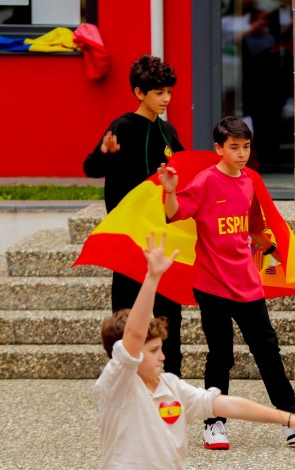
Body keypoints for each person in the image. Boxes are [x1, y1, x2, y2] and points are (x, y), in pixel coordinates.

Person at [157, 116, 295, 448]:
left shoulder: (250, 181)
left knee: (268, 350)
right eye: (234, 147)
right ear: (219, 148)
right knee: (220, 355)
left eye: (246, 147)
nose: (241, 153)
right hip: (211, 285)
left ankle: (290, 419)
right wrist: (169, 191)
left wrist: (282, 256)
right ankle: (213, 424)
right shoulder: (205, 182)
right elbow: (174, 212)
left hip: (247, 283)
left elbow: (255, 226)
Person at [94, 232, 295, 469]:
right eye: (154, 350)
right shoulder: (118, 383)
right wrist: (152, 278)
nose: (163, 356)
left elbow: (229, 405)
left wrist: (290, 419)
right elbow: (134, 336)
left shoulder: (170, 386)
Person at [83, 54, 185, 376]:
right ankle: (124, 379)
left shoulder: (168, 131)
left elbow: (184, 172)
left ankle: (170, 383)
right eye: (158, 92)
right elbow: (90, 168)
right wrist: (105, 154)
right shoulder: (122, 126)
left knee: (171, 316)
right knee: (126, 316)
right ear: (140, 93)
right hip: (129, 237)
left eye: (169, 91)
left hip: (161, 236)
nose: (166, 98)